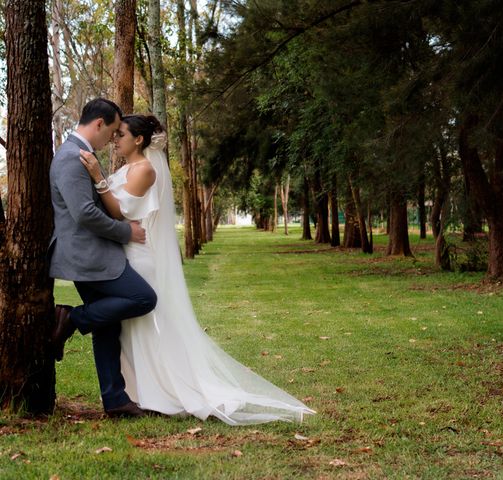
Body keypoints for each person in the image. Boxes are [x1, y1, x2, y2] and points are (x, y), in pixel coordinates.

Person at [78, 114, 314, 424]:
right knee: (131, 329)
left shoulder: (145, 170)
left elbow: (120, 212)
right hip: (122, 251)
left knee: (144, 325)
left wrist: (97, 177)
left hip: (137, 255)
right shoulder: (125, 169)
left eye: (121, 134)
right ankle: (136, 392)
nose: (115, 138)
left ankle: (154, 391)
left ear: (138, 140)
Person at [48, 98, 158, 418]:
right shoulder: (71, 157)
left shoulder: (81, 155)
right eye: (111, 130)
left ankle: (116, 400)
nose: (112, 138)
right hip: (87, 255)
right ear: (99, 124)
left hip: (93, 252)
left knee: (108, 326)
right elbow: (84, 214)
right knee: (143, 297)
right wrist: (127, 234)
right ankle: (71, 319)